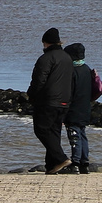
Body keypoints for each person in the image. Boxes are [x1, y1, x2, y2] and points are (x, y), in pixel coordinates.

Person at [27, 27, 73, 173]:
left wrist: (31, 96)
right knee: (54, 133)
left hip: (48, 101)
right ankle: (52, 165)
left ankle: (61, 158)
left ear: (46, 43)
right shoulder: (67, 57)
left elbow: (38, 81)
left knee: (41, 129)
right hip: (64, 101)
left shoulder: (45, 59)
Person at [64, 42, 94, 173]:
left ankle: (75, 162)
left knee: (74, 135)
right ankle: (85, 163)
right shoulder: (87, 69)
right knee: (82, 134)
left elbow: (68, 93)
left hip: (73, 109)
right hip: (85, 108)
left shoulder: (71, 72)